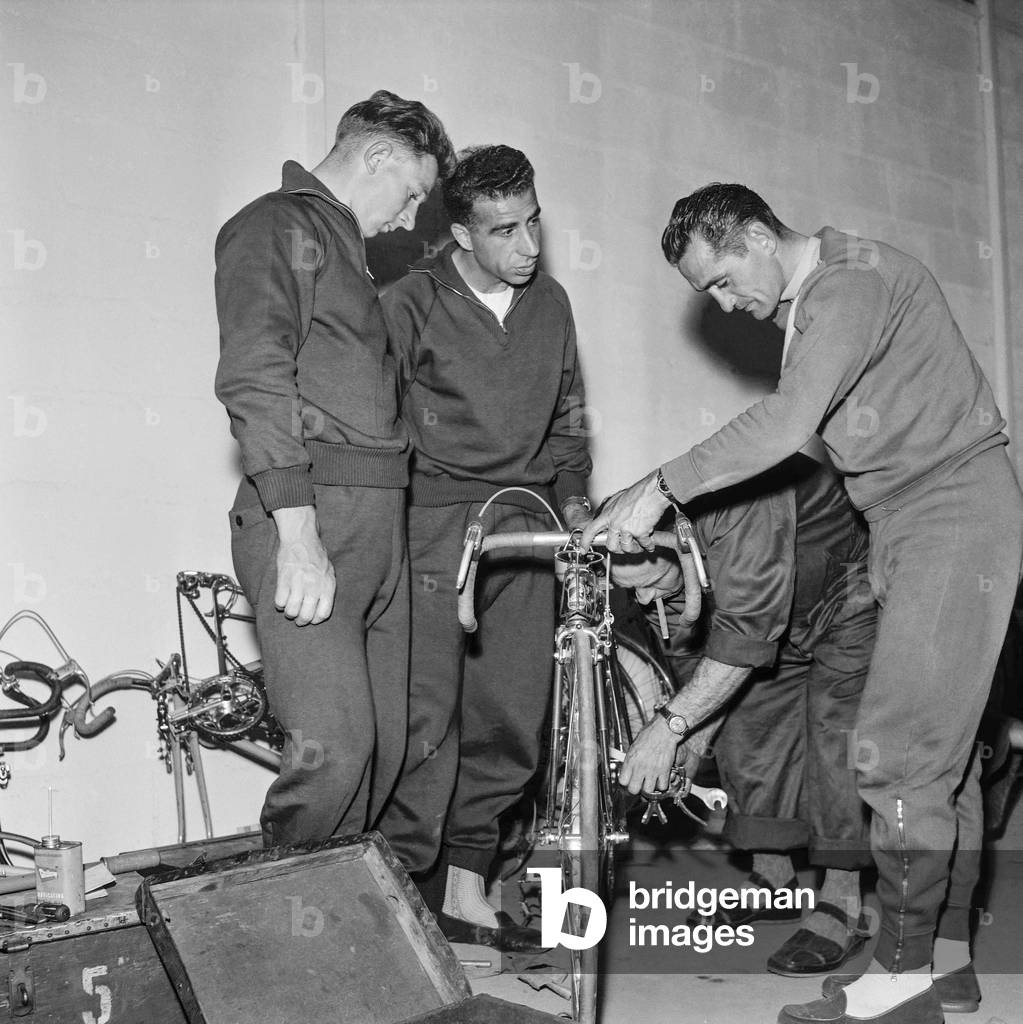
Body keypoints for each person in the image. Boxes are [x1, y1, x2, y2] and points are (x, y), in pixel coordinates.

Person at [583, 183, 1023, 1024]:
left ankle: (901, 982)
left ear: (755, 235)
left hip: (949, 510)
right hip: (904, 519)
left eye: (720, 281)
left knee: (899, 752)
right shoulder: (827, 297)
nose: (727, 306)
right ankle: (948, 962)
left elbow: (785, 425)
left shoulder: (846, 282)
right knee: (946, 752)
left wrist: (656, 488)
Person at [214, 90, 454, 849]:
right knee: (332, 749)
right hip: (313, 518)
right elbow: (255, 375)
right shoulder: (274, 226)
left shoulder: (345, 250)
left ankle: (344, 946)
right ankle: (267, 943)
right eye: (413, 193)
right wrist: (298, 533)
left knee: (378, 756)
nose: (412, 218)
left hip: (380, 521)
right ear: (377, 156)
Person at [377, 145, 592, 952]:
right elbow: (378, 423)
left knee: (512, 714)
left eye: (533, 221)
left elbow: (570, 417)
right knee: (425, 716)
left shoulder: (552, 303)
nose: (528, 246)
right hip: (434, 524)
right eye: (504, 231)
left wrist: (574, 503)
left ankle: (467, 887)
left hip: (530, 523)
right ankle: (401, 892)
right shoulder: (408, 304)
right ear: (460, 236)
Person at [612, 451, 876, 977]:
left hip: (846, 592)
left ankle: (842, 900)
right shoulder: (661, 576)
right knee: (748, 732)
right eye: (630, 590)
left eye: (649, 579)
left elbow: (747, 631)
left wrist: (669, 730)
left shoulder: (735, 509)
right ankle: (775, 880)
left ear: (675, 543)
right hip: (771, 611)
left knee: (835, 733)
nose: (644, 598)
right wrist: (686, 738)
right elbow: (702, 678)